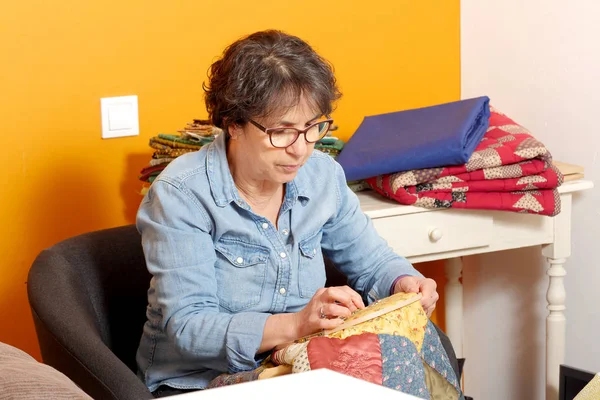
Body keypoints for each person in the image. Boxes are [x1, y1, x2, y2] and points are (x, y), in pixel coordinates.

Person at [136, 30, 444, 397]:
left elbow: (372, 260)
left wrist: (403, 282)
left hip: (295, 365)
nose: (300, 149)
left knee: (411, 351)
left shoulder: (322, 175)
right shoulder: (181, 193)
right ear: (234, 124)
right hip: (200, 381)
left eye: (313, 127)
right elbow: (188, 328)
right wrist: (298, 324)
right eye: (282, 132)